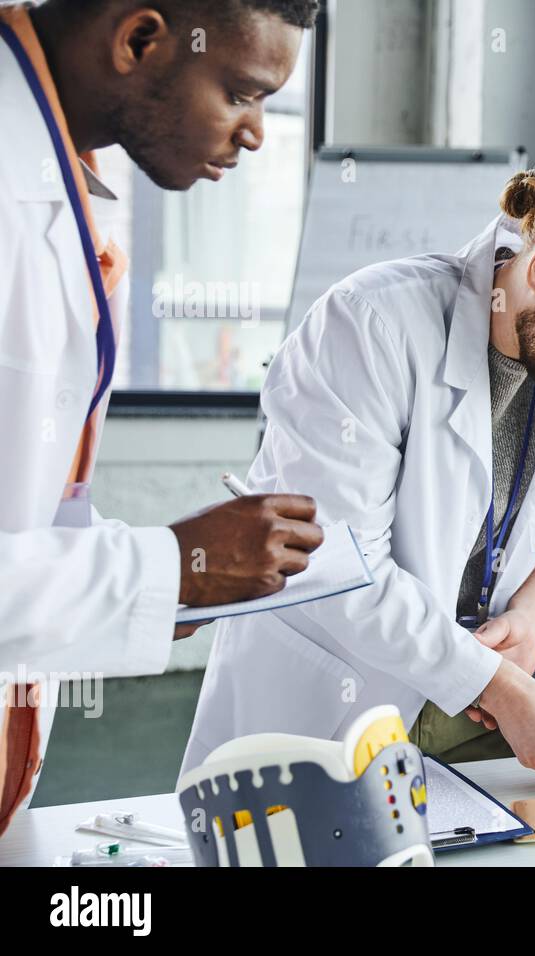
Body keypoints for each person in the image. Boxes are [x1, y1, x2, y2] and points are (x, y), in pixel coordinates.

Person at [183, 167, 535, 802]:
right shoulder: (369, 324)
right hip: (337, 693)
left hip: (470, 709)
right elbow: (338, 563)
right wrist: (496, 682)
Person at [0, 0, 324, 837]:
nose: (257, 133)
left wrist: (178, 577)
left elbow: (29, 514)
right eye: (241, 92)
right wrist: (172, 568)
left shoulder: (62, 174)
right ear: (139, 39)